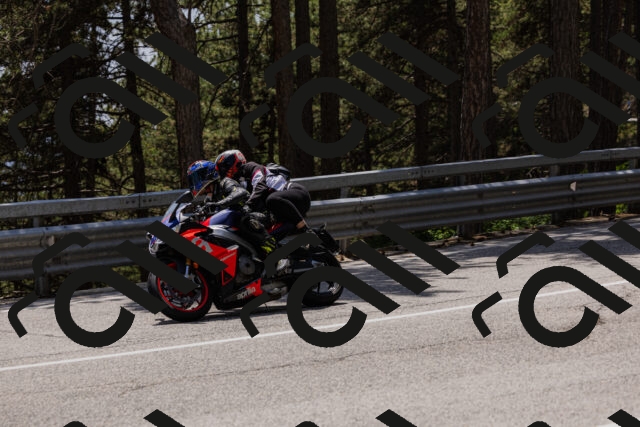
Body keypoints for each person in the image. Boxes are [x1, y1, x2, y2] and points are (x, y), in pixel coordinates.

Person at [182, 160, 276, 258]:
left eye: (198, 177)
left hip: (257, 214)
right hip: (236, 225)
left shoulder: (225, 182)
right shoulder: (209, 198)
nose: (196, 182)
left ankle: (273, 251)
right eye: (193, 179)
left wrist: (220, 203)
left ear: (208, 173)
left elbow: (241, 192)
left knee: (244, 220)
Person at [214, 149, 313, 239]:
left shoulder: (251, 166)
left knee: (272, 199)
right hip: (283, 208)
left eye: (226, 167)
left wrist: (249, 205)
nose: (226, 172)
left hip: (297, 194)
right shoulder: (240, 183)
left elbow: (260, 186)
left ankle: (306, 230)